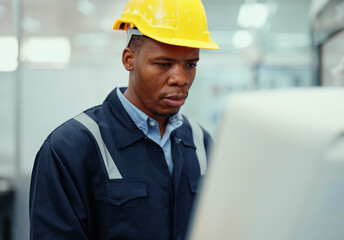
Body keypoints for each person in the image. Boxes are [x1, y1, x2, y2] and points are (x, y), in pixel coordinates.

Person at [29, 0, 219, 239]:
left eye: (190, 64)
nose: (180, 78)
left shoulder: (201, 143)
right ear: (129, 59)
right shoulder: (70, 149)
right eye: (164, 64)